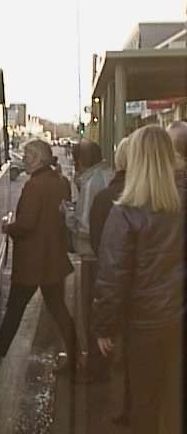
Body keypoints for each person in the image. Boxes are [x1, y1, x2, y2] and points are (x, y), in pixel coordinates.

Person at [93, 125, 185, 434]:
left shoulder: (126, 214)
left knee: (144, 405)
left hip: (143, 325)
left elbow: (112, 276)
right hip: (178, 319)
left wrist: (104, 326)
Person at [0, 140, 76, 372]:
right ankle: (76, 356)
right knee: (59, 310)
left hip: (31, 262)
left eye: (27, 155)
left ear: (38, 158)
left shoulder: (34, 185)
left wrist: (7, 228)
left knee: (14, 309)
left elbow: (27, 224)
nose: (23, 158)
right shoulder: (60, 182)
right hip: (53, 259)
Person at [88, 136, 130, 426]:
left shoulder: (110, 199)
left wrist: (101, 325)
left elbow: (108, 261)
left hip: (127, 303)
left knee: (120, 360)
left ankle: (121, 411)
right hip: (163, 309)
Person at [64, 139, 112, 382]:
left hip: (92, 256)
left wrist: (68, 215)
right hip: (107, 255)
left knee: (89, 311)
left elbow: (85, 227)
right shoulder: (106, 175)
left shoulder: (92, 183)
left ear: (81, 161)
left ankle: (92, 365)